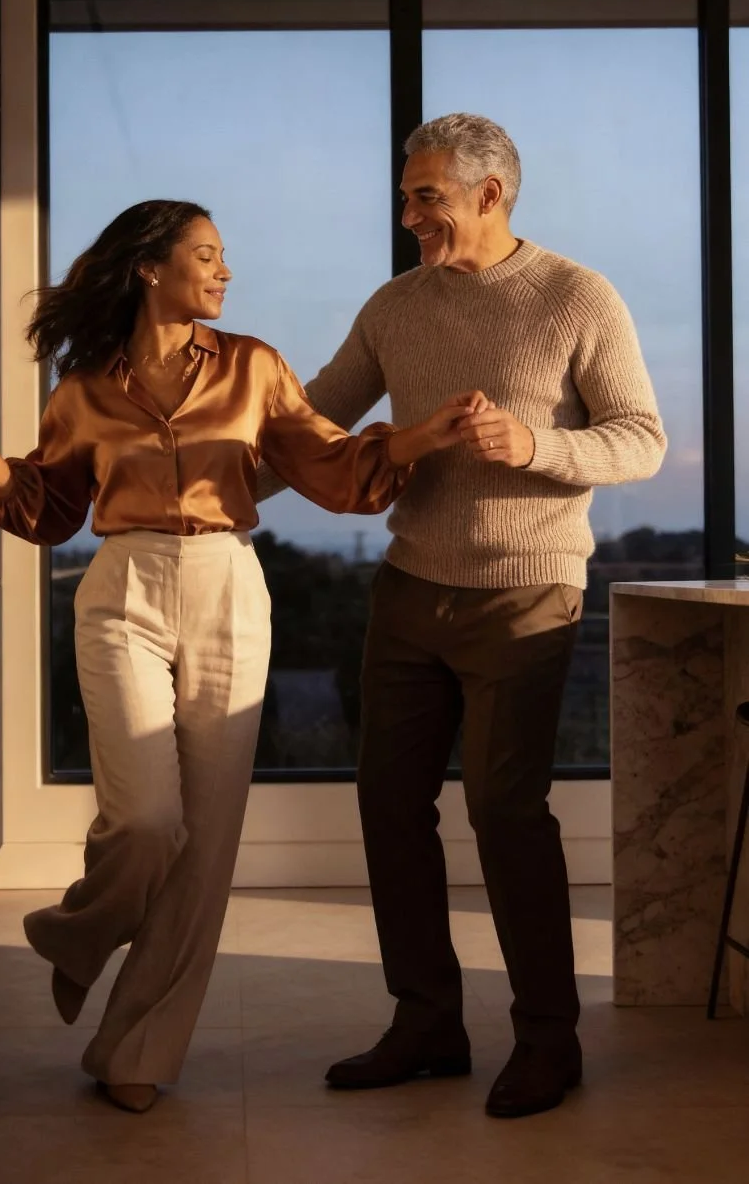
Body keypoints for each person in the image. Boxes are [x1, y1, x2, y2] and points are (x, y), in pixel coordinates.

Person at [0, 199, 483, 1114]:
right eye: (206, 255)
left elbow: (330, 465)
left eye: (223, 257)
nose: (224, 271)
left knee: (206, 845)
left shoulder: (253, 366)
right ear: (150, 267)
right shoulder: (84, 389)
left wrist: (419, 437)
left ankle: (135, 1050)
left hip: (229, 586)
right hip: (123, 592)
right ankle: (79, 931)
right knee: (148, 820)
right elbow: (52, 508)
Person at [259, 114, 667, 1119]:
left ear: (491, 194)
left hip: (527, 592)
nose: (408, 215)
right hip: (408, 588)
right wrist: (189, 489)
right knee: (387, 803)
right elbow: (312, 426)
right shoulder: (394, 306)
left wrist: (534, 445)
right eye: (405, 196)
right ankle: (427, 1022)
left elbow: (641, 439)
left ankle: (548, 1039)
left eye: (425, 196)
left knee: (503, 809)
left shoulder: (577, 296)